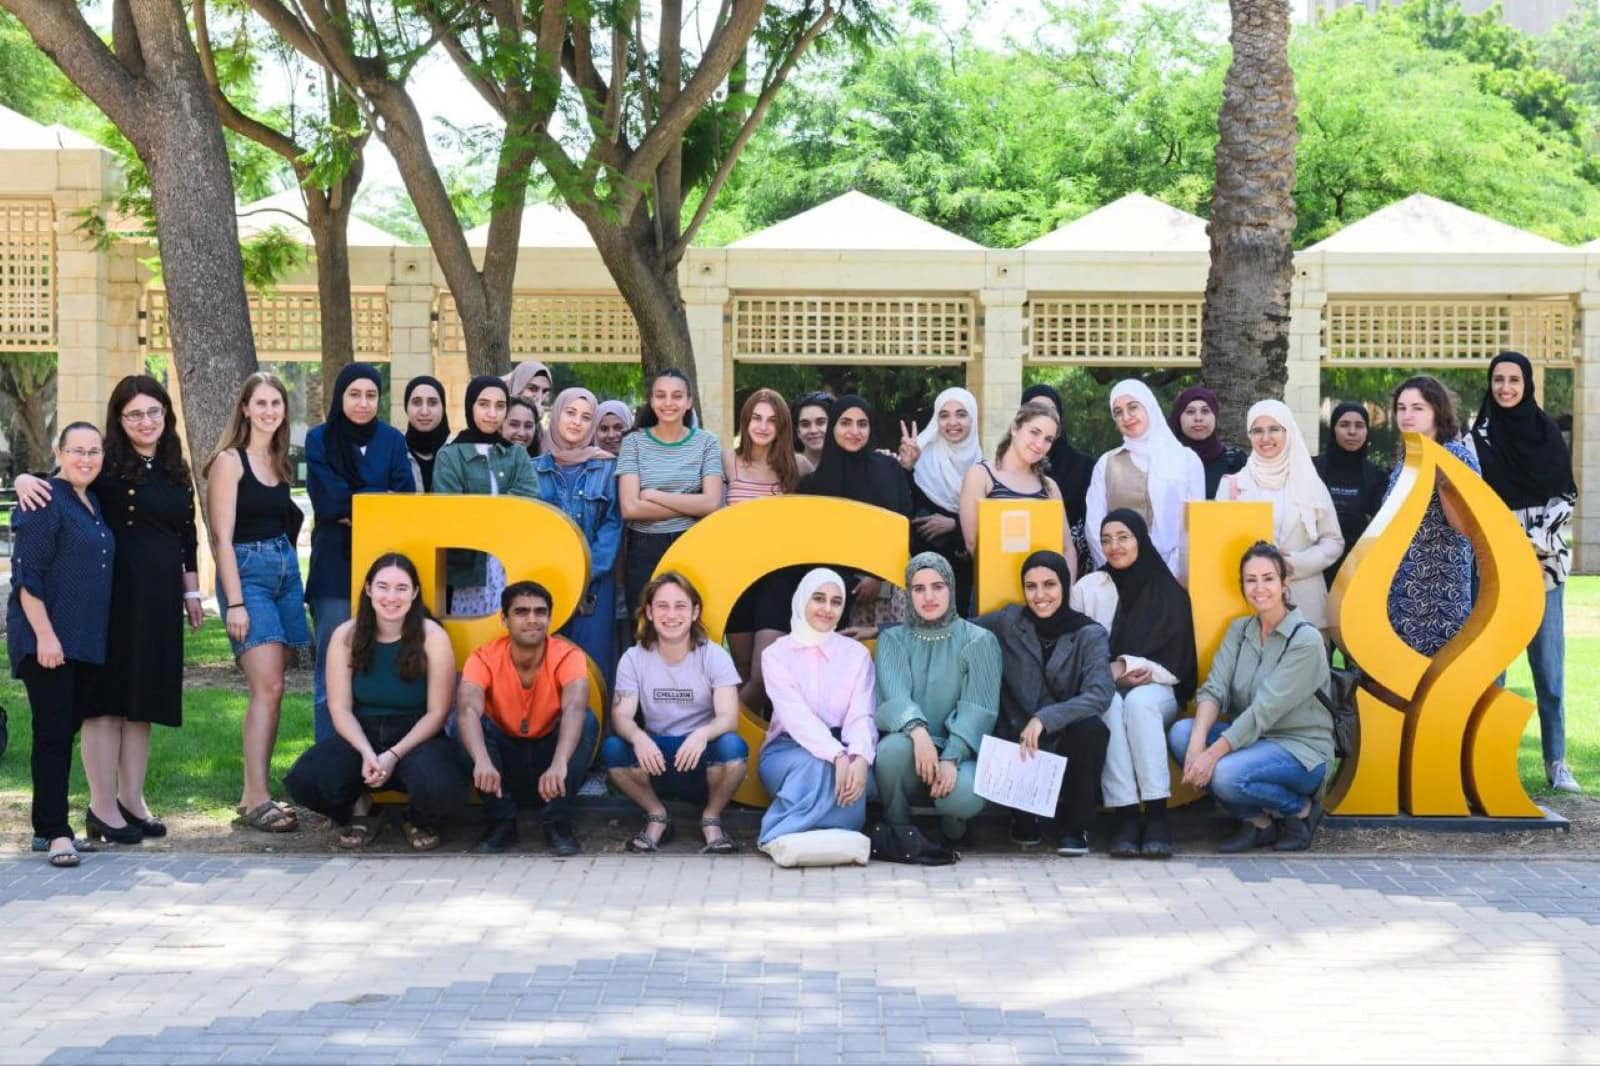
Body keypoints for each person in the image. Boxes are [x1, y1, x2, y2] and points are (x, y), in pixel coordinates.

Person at [12, 376, 203, 843]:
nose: (146, 421)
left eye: (154, 412)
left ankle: (132, 800)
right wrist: (23, 477)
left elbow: (188, 537)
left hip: (159, 601)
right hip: (111, 600)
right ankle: (100, 807)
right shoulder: (106, 465)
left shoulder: (176, 466)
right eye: (134, 413)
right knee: (107, 704)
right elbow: (61, 481)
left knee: (142, 704)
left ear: (166, 415)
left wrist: (192, 593)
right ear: (119, 419)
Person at [284, 554, 463, 851]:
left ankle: (416, 818)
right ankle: (362, 808)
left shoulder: (432, 636)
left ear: (415, 593)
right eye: (383, 586)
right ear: (368, 589)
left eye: (402, 588)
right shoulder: (346, 635)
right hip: (360, 733)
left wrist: (392, 755)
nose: (391, 597)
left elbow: (437, 712)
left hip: (417, 734)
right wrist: (367, 752)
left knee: (443, 787)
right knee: (307, 780)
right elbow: (339, 707)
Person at [1169, 542, 1333, 853]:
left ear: (1284, 583)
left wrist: (1211, 755)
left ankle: (1300, 810)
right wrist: (1196, 745)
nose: (1260, 588)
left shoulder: (1305, 640)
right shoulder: (1239, 630)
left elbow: (1263, 711)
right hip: (1251, 742)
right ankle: (1258, 823)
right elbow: (1214, 688)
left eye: (1268, 578)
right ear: (1242, 585)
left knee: (1225, 774)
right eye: (1251, 580)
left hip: (1299, 749)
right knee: (1181, 734)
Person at [204, 373, 310, 834]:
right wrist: (236, 603)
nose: (269, 410)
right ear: (244, 408)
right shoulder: (230, 462)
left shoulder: (279, 460)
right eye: (260, 403)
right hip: (248, 575)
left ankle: (256, 793)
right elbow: (221, 539)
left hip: (286, 572)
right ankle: (256, 797)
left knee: (277, 686)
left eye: (276, 403)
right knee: (266, 686)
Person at [1470, 351, 1581, 793]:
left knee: (1549, 671)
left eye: (1514, 380)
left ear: (1527, 383)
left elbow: (1565, 494)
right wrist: (1504, 544)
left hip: (1544, 565)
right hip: (1493, 566)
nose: (1505, 388)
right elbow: (1474, 500)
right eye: (1498, 380)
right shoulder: (1479, 437)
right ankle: (1487, 761)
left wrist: (1530, 541)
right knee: (1492, 671)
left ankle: (1556, 763)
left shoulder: (1547, 432)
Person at [8, 423, 115, 867]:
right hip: (47, 640)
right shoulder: (44, 499)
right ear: (59, 451)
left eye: (93, 451)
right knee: (52, 735)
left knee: (60, 734)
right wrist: (46, 637)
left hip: (83, 639)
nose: (85, 459)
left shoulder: (92, 500)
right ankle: (55, 833)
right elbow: (26, 577)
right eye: (76, 451)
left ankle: (44, 825)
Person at [1071, 510, 1197, 859]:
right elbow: (1075, 649)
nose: (1115, 546)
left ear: (1140, 538)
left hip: (1159, 689)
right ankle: (1126, 814)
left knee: (1139, 703)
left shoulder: (1168, 591)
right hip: (1105, 686)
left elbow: (1178, 661)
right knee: (1110, 704)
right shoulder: (1088, 589)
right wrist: (1110, 674)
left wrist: (1129, 666)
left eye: (1123, 537)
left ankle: (1156, 814)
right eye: (1107, 538)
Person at [305, 363, 416, 743]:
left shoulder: (392, 440)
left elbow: (403, 499)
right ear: (340, 397)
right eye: (355, 394)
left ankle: (375, 763)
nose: (363, 403)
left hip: (386, 566)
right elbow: (327, 499)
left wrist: (357, 506)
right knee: (331, 666)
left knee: (377, 667)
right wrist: (375, 501)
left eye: (371, 395)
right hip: (335, 564)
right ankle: (329, 764)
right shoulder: (320, 439)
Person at [976, 550, 1113, 856]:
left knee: (1090, 730)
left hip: (1064, 737)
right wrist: (880, 632)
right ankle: (1023, 815)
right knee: (1007, 721)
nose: (1040, 596)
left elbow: (1100, 693)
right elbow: (956, 630)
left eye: (1049, 585)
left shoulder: (1089, 633)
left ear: (1065, 586)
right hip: (1017, 736)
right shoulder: (1010, 621)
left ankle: (1075, 828)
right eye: (1031, 586)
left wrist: (1046, 718)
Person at [601, 572, 748, 854]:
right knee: (613, 749)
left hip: (700, 760)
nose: (671, 615)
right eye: (662, 606)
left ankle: (711, 819)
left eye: (680, 606)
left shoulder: (714, 655)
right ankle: (657, 816)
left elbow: (729, 718)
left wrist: (702, 734)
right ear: (649, 612)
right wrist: (639, 738)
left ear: (695, 612)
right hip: (656, 759)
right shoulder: (634, 657)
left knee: (733, 747)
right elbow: (621, 716)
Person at [455, 581, 597, 855]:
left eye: (540, 612)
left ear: (549, 618)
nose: (532, 620)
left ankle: (557, 823)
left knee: (586, 721)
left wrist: (559, 764)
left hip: (550, 764)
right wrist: (482, 760)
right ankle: (501, 822)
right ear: (504, 619)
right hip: (501, 764)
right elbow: (467, 708)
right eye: (521, 612)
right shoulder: (484, 656)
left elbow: (575, 708)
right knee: (461, 723)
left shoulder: (568, 655)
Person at [873, 552, 1001, 844]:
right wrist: (919, 735)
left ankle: (951, 818)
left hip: (962, 753)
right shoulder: (893, 640)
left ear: (952, 589)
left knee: (963, 795)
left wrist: (951, 756)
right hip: (911, 746)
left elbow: (979, 709)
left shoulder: (979, 640)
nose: (928, 596)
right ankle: (897, 826)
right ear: (908, 594)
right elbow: (894, 698)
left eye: (938, 586)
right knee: (891, 751)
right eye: (919, 589)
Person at [757, 569, 877, 846]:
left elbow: (862, 714)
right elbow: (796, 718)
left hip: (846, 748)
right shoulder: (776, 654)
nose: (827, 609)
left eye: (836, 602)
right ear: (802, 601)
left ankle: (808, 834)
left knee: (858, 778)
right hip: (787, 749)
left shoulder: (856, 654)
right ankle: (782, 832)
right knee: (816, 767)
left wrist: (859, 757)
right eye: (819, 599)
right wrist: (836, 756)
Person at [1217, 400, 1344, 633]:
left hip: (1305, 603)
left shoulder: (1311, 484)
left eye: (1274, 429)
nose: (1265, 438)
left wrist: (1294, 564)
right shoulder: (1232, 486)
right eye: (1257, 430)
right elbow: (1220, 546)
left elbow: (1333, 541)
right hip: (1249, 608)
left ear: (1289, 431)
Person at [721, 389, 807, 710]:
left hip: (778, 579)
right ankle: (745, 751)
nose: (763, 426)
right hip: (737, 577)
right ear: (745, 421)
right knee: (742, 671)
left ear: (782, 426)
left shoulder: (798, 467)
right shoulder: (728, 462)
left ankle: (723, 729)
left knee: (763, 674)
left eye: (772, 420)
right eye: (756, 418)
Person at [799, 395, 913, 634]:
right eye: (845, 423)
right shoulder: (813, 485)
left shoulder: (889, 469)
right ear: (833, 428)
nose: (854, 431)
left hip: (889, 585)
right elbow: (814, 545)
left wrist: (876, 577)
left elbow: (903, 525)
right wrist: (852, 582)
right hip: (838, 593)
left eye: (862, 424)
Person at [532, 387, 622, 690]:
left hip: (594, 585)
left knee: (592, 667)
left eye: (586, 417)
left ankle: (598, 736)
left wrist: (584, 573)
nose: (576, 422)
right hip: (545, 582)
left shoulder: (608, 467)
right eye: (570, 413)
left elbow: (612, 526)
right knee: (545, 666)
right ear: (556, 415)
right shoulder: (533, 469)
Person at [616, 369, 724, 617]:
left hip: (692, 541)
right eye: (660, 395)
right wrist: (689, 503)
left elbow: (711, 503)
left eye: (677, 396)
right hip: (644, 547)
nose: (668, 403)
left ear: (688, 402)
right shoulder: (634, 443)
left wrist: (654, 495)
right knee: (645, 622)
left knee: (691, 619)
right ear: (652, 401)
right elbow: (630, 508)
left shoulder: (707, 442)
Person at [1384, 376, 1478, 657]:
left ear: (1437, 411)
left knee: (1438, 688)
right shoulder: (1406, 460)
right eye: (1401, 408)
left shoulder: (1455, 456)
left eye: (1417, 408)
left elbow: (1465, 525)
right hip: (1401, 589)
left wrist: (1441, 479)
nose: (1407, 415)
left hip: (1439, 593)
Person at [433, 375, 540, 617]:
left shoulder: (517, 455)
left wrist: (483, 513)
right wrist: (500, 511)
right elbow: (452, 511)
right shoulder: (450, 456)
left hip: (512, 563)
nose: (492, 413)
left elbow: (529, 499)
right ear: (470, 406)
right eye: (483, 404)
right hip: (471, 568)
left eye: (500, 406)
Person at [1085, 379, 1204, 578]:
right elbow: (1094, 526)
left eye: (1133, 407)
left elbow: (1194, 524)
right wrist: (1117, 570)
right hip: (1120, 576)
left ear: (1149, 407)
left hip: (1177, 575)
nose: (1126, 417)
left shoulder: (1186, 460)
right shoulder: (1107, 463)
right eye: (1118, 412)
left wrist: (1170, 574)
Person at [958, 401, 1075, 586]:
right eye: (1034, 432)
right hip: (995, 591)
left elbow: (1067, 548)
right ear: (1014, 428)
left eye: (1048, 439)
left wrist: (1065, 591)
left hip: (1042, 595)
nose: (1039, 444)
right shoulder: (980, 476)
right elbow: (974, 544)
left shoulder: (1050, 487)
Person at [908, 387, 982, 615]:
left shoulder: (984, 469)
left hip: (966, 579)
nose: (952, 422)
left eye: (961, 414)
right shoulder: (919, 463)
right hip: (923, 578)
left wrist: (955, 524)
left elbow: (989, 524)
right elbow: (903, 510)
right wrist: (905, 468)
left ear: (973, 419)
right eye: (944, 415)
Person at [1021, 383, 1095, 574]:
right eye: (1035, 410)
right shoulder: (1011, 468)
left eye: (1051, 410)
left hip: (1072, 567)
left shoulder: (1085, 467)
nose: (1044, 416)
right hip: (1017, 561)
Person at [1313, 401, 1386, 588]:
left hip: (1357, 569)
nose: (1352, 432)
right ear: (1333, 429)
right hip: (1315, 567)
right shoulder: (1312, 469)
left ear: (1367, 431)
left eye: (1359, 425)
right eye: (1344, 425)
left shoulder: (1376, 475)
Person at [1169, 386, 1247, 499]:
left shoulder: (1235, 462)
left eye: (1205, 411)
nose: (1198, 418)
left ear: (1215, 416)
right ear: (1178, 418)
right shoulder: (1165, 461)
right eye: (1190, 412)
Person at [402, 375, 451, 491]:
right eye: (416, 402)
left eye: (432, 403)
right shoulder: (395, 449)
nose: (424, 411)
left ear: (443, 407)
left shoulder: (458, 449)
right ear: (406, 407)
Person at [791, 392, 832, 470]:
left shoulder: (849, 468)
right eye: (805, 424)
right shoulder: (785, 469)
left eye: (820, 422)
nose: (813, 430)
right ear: (798, 431)